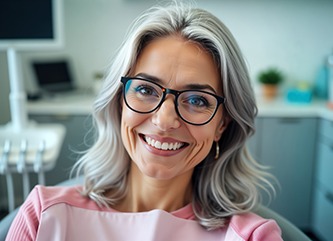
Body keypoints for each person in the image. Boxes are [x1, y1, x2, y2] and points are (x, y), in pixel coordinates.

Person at [6, 2, 282, 240]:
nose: (164, 120)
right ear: (118, 102)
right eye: (146, 90)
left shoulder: (252, 237)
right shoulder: (44, 216)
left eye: (197, 100)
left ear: (222, 124)